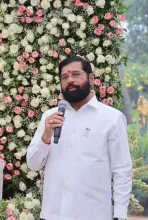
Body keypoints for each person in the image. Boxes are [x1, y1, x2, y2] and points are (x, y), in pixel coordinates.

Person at [26, 56, 132, 220]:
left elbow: (122, 170)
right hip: (53, 214)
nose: (70, 80)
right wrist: (46, 136)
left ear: (91, 78)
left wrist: (120, 215)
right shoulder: (50, 117)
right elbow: (33, 164)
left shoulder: (111, 119)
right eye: (65, 77)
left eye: (76, 74)